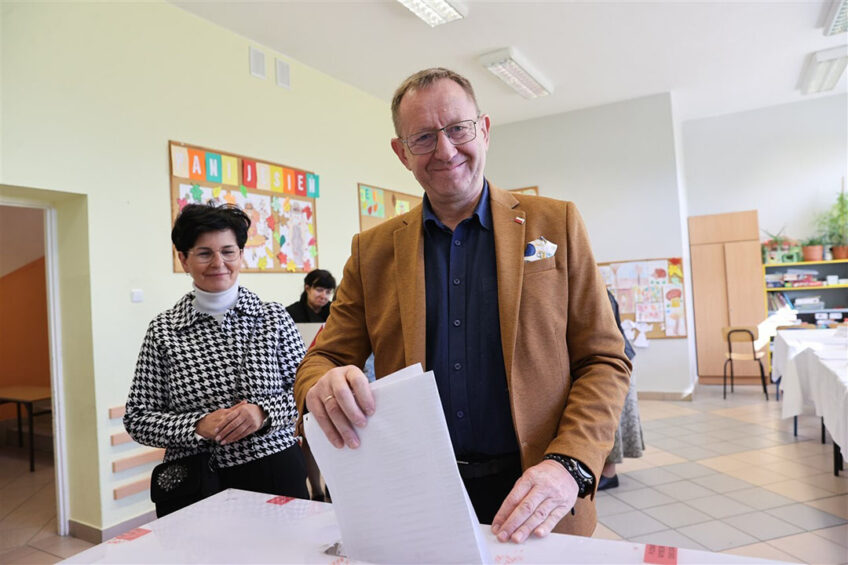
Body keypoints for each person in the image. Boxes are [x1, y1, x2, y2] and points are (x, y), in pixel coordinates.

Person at [293, 68, 631, 542]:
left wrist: (569, 464)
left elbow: (604, 360)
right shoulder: (373, 251)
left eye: (458, 129)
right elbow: (323, 358)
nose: (446, 150)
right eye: (424, 137)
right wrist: (321, 385)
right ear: (401, 152)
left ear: (485, 130)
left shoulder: (557, 223)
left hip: (538, 492)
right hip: (418, 495)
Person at [124, 203, 308, 517]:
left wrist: (262, 413)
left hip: (275, 470)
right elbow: (137, 418)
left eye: (228, 251)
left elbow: (306, 395)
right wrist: (196, 425)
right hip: (197, 481)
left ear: (241, 254)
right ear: (183, 259)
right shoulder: (164, 331)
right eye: (204, 253)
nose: (219, 263)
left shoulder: (273, 317)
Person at [599, 290, 644, 490]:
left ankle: (609, 474)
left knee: (612, 418)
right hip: (615, 356)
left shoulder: (599, 291)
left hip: (617, 359)